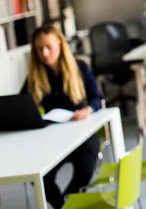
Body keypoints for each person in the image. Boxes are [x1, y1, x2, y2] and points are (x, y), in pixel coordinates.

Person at [21, 24, 103, 209]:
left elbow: (97, 98)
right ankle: (61, 206)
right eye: (40, 49)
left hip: (80, 133)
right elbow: (22, 104)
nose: (45, 53)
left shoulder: (80, 68)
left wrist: (88, 110)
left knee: (85, 170)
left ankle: (70, 201)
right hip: (51, 137)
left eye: (49, 47)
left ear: (60, 45)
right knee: (39, 178)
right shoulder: (35, 76)